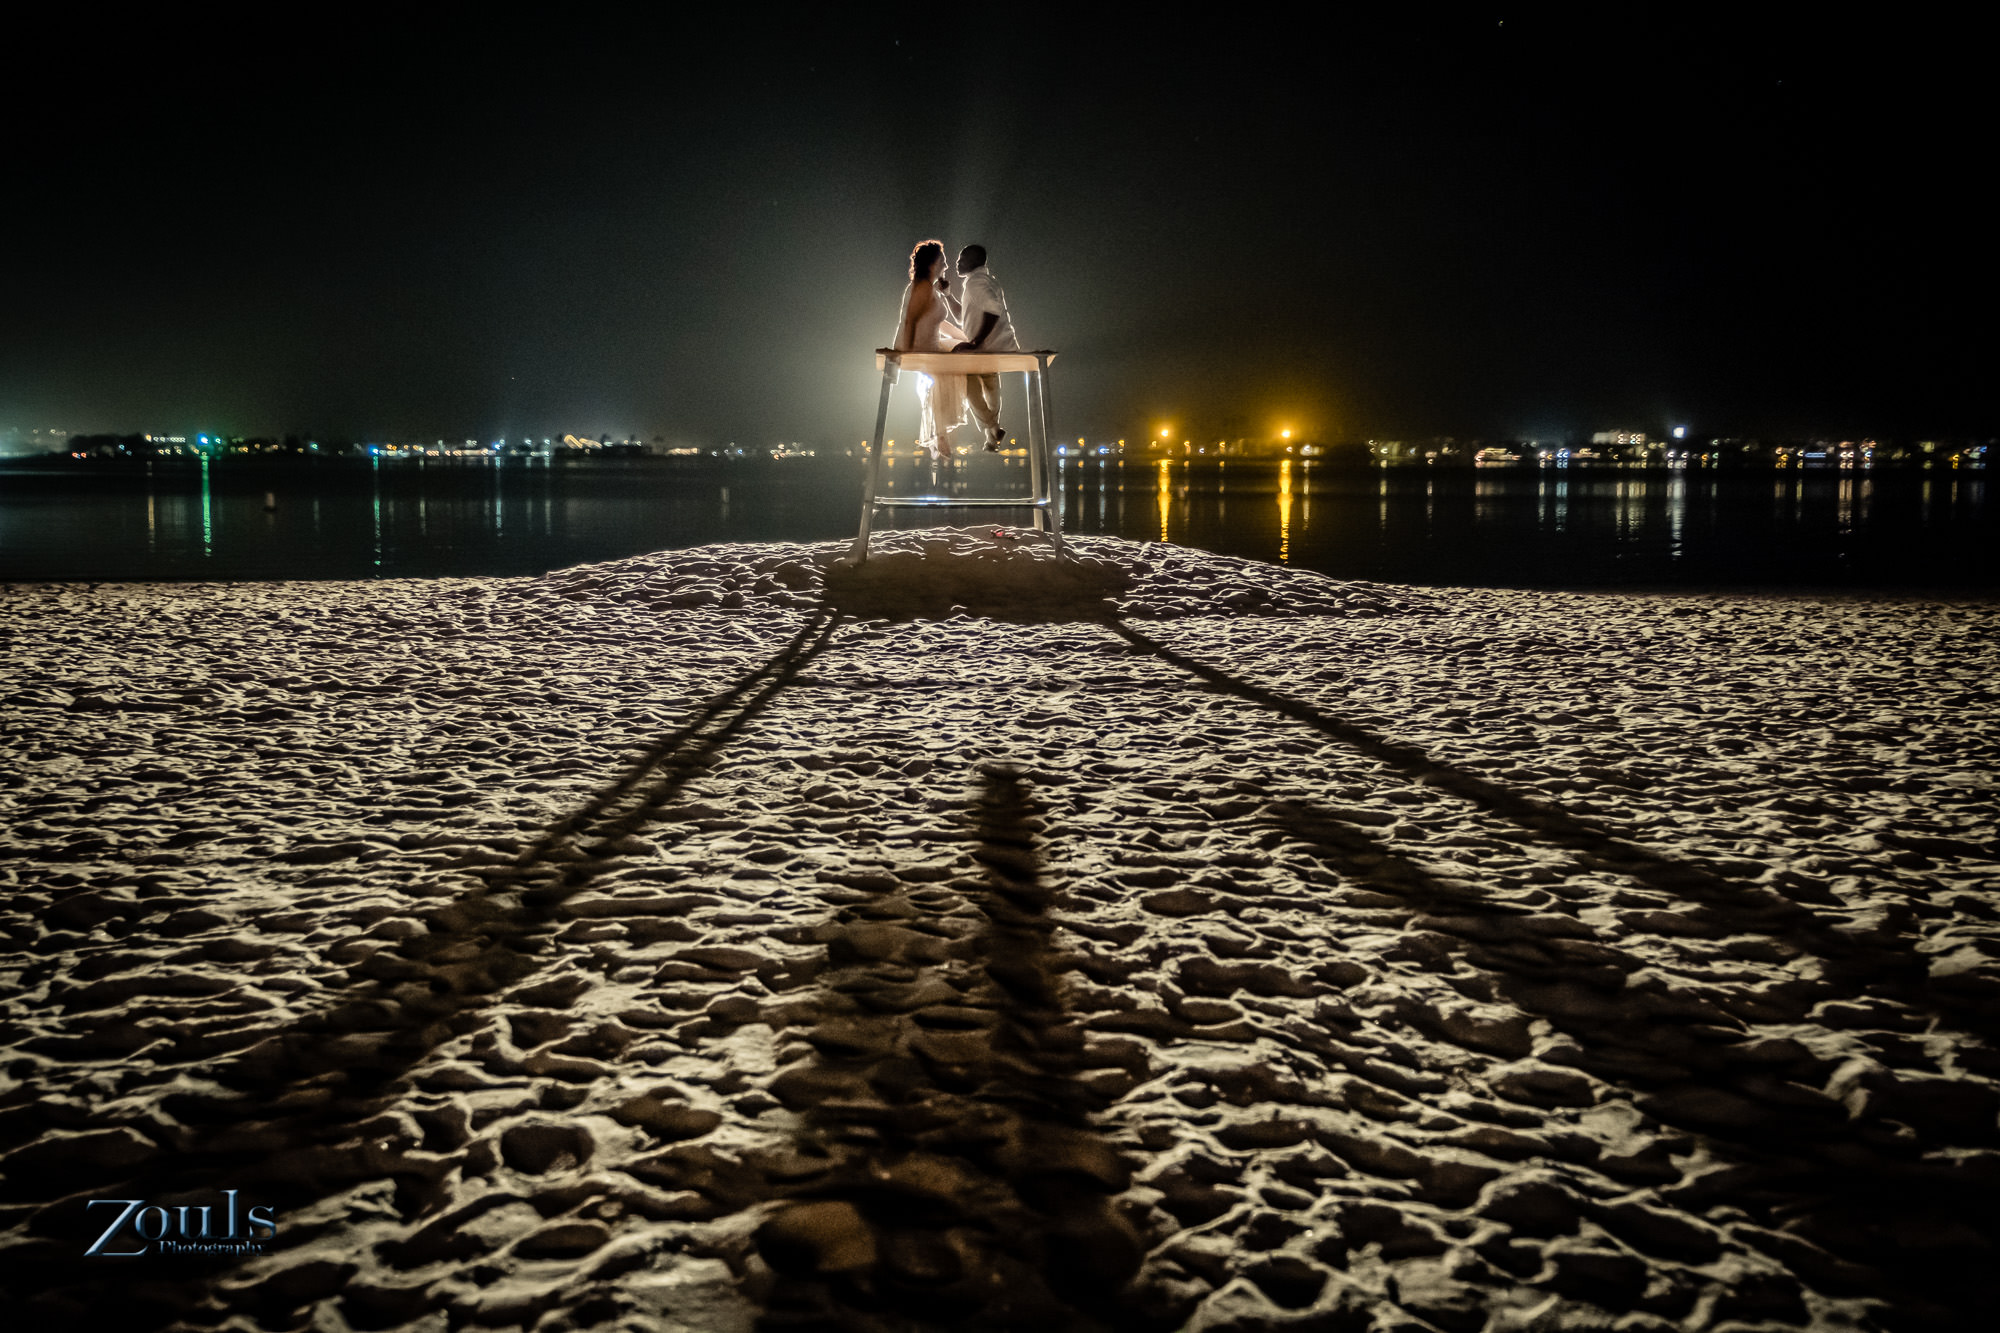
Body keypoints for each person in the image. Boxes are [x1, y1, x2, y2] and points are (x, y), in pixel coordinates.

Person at [893, 238, 967, 459]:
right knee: (947, 368)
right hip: (919, 345)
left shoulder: (931, 289)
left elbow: (940, 323)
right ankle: (940, 432)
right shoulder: (922, 288)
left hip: (932, 343)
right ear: (933, 263)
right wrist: (905, 352)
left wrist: (965, 339)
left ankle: (941, 431)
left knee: (961, 353)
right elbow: (909, 321)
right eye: (943, 261)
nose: (946, 265)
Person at [942, 244, 1019, 452]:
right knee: (991, 387)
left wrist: (976, 341)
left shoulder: (975, 283)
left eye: (962, 259)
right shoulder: (986, 281)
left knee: (969, 385)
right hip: (997, 346)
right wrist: (948, 295)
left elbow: (993, 310)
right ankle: (992, 437)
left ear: (975, 261)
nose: (957, 263)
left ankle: (992, 427)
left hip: (985, 348)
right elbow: (962, 317)